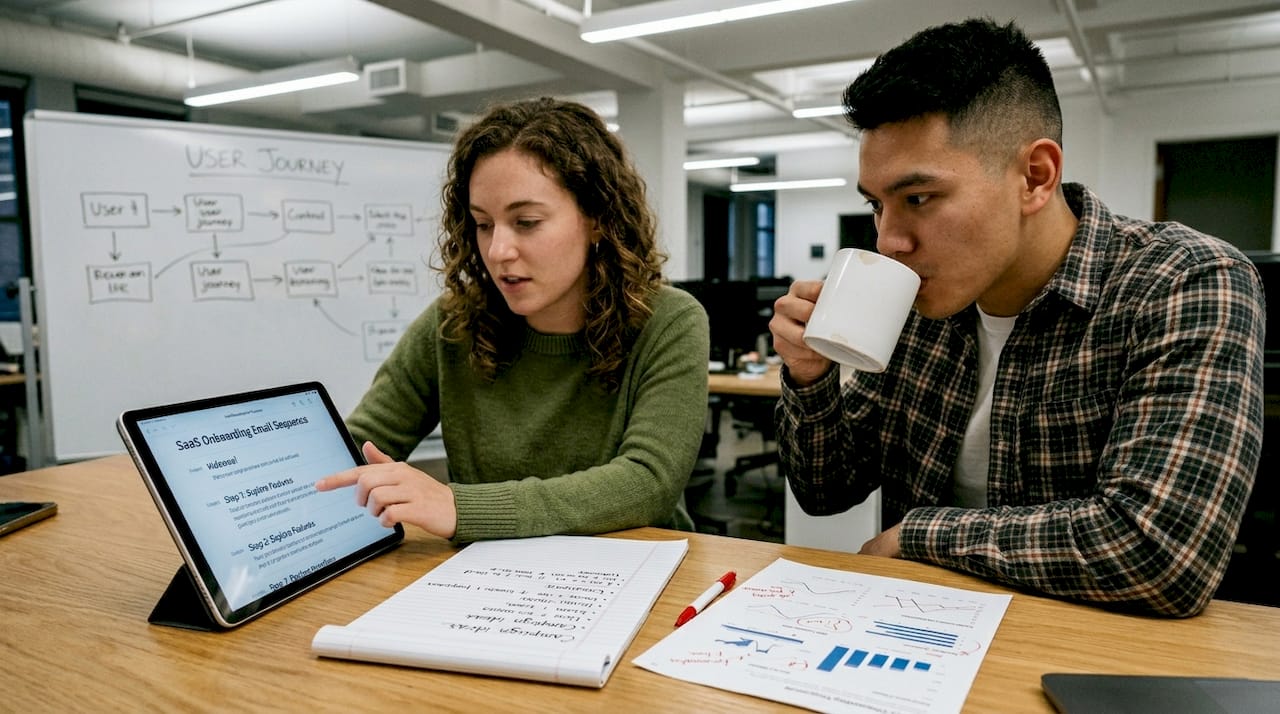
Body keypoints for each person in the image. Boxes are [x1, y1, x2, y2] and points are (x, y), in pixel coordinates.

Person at [770, 18, 1266, 617]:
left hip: (1088, 652)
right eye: (877, 205)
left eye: (919, 199)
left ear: (1035, 177)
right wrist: (810, 377)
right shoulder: (917, 303)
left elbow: (1160, 551)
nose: (889, 241)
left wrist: (919, 535)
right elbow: (826, 490)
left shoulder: (1183, 281)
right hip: (918, 638)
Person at [317, 97, 710, 543]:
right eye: (483, 225)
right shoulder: (453, 322)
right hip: (488, 582)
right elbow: (360, 448)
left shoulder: (668, 321)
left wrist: (458, 507)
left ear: (598, 219)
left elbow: (647, 482)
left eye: (526, 222)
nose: (498, 251)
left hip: (643, 574)